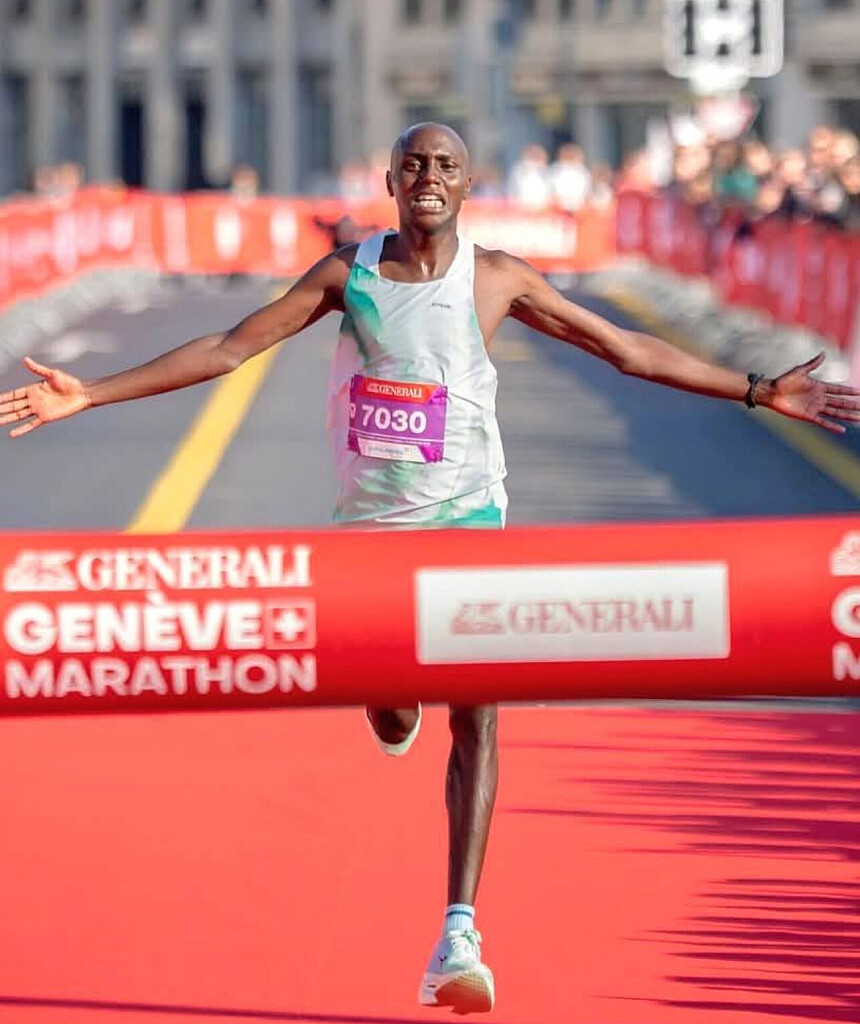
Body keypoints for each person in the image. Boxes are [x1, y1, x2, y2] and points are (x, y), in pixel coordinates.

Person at [1, 122, 859, 1014]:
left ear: (468, 184)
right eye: (414, 165)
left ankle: (459, 931)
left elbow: (625, 348)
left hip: (468, 516)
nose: (429, 177)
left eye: (446, 165)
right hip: (371, 535)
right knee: (393, 700)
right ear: (390, 181)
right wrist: (91, 392)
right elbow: (230, 347)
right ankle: (392, 699)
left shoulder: (497, 277)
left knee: (478, 712)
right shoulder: (350, 275)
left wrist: (757, 389)